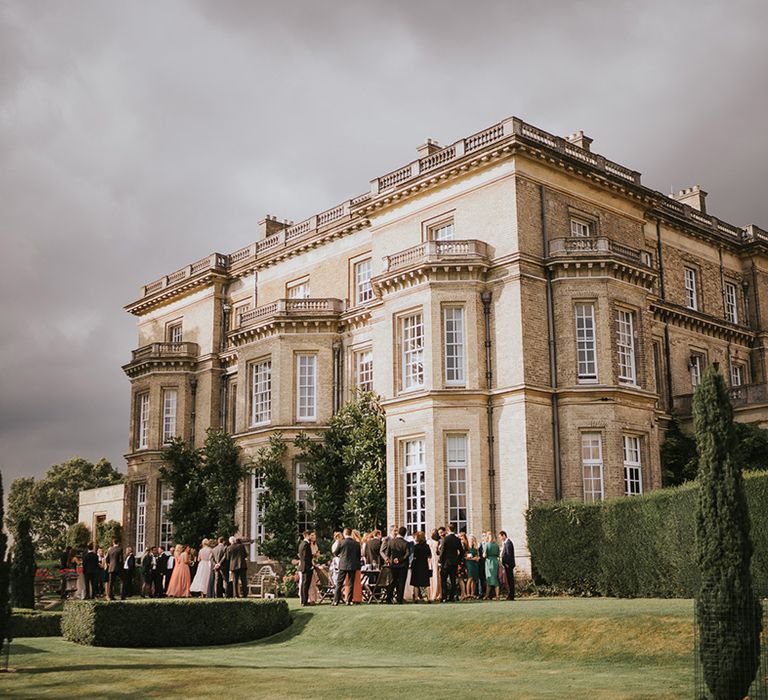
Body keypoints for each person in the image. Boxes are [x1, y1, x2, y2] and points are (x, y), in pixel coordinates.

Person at [332, 528, 362, 606]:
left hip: (343, 565)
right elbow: (359, 555)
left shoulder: (341, 542)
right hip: (353, 565)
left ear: (344, 533)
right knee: (351, 583)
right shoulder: (356, 543)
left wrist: (341, 555)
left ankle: (336, 601)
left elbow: (335, 553)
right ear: (351, 533)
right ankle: (349, 600)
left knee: (339, 583)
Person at [385, 527, 410, 604]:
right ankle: (399, 598)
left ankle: (388, 598)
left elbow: (387, 553)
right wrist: (400, 559)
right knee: (401, 582)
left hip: (393, 565)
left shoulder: (391, 542)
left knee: (393, 581)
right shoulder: (406, 543)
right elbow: (407, 554)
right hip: (402, 565)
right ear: (405, 533)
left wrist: (392, 560)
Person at [439, 524, 462, 603]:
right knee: (453, 580)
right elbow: (462, 552)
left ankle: (444, 597)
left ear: (448, 529)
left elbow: (442, 551)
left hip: (445, 562)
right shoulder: (457, 539)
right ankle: (452, 597)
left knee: (443, 580)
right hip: (454, 563)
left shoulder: (445, 539)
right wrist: (457, 560)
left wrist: (440, 561)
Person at [409, 531, 431, 602]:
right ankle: (429, 598)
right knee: (426, 583)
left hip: (417, 565)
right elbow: (429, 556)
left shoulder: (416, 547)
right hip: (424, 565)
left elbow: (414, 556)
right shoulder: (427, 546)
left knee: (416, 583)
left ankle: (416, 598)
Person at [298, 529, 315, 606]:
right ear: (306, 536)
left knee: (304, 585)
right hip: (306, 567)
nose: (311, 537)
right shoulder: (305, 544)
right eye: (310, 535)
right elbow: (305, 557)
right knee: (305, 585)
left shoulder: (302, 544)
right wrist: (310, 566)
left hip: (304, 566)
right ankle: (304, 601)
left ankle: (303, 600)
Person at [499, 530, 516, 601]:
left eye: (500, 537)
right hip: (507, 565)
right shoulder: (506, 543)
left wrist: (506, 563)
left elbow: (508, 555)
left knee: (510, 580)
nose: (500, 538)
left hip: (508, 565)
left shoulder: (508, 543)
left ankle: (511, 595)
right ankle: (510, 595)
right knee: (509, 580)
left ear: (504, 535)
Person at [483, 532, 500, 600]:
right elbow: (498, 554)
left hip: (489, 562)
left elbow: (484, 555)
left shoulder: (487, 545)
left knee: (489, 578)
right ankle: (497, 595)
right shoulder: (496, 545)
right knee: (495, 577)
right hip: (495, 561)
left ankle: (487, 595)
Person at [428, 529, 441, 602]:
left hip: (431, 560)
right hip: (436, 560)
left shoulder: (430, 542)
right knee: (437, 577)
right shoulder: (438, 542)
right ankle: (437, 593)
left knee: (432, 578)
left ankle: (432, 594)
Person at [466, 535, 480, 599]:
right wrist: (472, 559)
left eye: (473, 539)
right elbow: (466, 557)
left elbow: (478, 555)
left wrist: (477, 558)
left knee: (474, 579)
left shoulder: (476, 548)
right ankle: (468, 593)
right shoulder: (467, 548)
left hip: (475, 564)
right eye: (471, 539)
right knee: (470, 578)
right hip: (470, 564)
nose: (472, 540)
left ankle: (473, 593)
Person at [457, 532, 469, 600]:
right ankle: (463, 593)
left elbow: (459, 553)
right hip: (463, 562)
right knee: (461, 578)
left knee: (460, 578)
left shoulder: (462, 544)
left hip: (460, 562)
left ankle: (463, 594)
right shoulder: (466, 543)